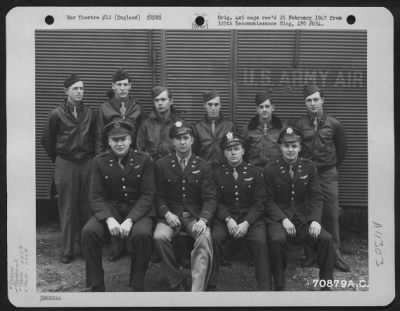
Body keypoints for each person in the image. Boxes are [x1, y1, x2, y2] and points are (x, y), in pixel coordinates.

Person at [81, 120, 155, 292]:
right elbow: (95, 195)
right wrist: (108, 219)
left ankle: (137, 283)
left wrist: (130, 219)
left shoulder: (144, 160)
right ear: (108, 142)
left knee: (142, 235)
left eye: (123, 139)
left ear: (130, 139)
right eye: (115, 140)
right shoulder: (99, 161)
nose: (120, 143)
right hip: (111, 209)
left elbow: (148, 195)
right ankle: (96, 284)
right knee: (89, 232)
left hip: (138, 209)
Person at [264, 127, 336, 291]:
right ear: (280, 147)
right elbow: (267, 201)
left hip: (302, 218)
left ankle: (326, 286)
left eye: (294, 146)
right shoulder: (270, 169)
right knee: (277, 240)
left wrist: (315, 221)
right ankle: (279, 285)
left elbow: (316, 196)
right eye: (286, 146)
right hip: (278, 218)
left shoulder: (309, 167)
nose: (290, 150)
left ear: (300, 147)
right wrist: (283, 219)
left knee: (326, 239)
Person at [153, 121, 217, 291]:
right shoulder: (161, 164)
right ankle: (176, 280)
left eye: (185, 138)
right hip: (170, 215)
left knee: (204, 238)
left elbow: (210, 198)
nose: (182, 142)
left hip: (193, 216)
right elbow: (157, 196)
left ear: (192, 140)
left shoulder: (203, 165)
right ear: (172, 142)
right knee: (160, 237)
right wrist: (166, 214)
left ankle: (197, 292)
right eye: (178, 138)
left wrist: (203, 220)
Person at [294, 84, 350, 272]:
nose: (312, 104)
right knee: (309, 213)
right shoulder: (300, 125)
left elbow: (341, 150)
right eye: (309, 100)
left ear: (323, 100)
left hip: (327, 174)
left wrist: (331, 166)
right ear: (305, 103)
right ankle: (310, 254)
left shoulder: (334, 124)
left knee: (331, 214)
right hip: (308, 174)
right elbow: (297, 149)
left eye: (316, 99)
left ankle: (334, 255)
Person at [41, 73, 96, 264]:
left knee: (86, 205)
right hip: (65, 162)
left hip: (87, 162)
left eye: (82, 88)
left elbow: (95, 138)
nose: (79, 92)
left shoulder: (89, 112)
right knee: (67, 207)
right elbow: (47, 140)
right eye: (75, 88)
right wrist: (58, 159)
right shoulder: (56, 113)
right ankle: (68, 249)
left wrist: (93, 160)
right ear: (66, 91)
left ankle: (85, 246)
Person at [208, 132, 272, 291]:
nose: (233, 153)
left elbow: (260, 203)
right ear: (224, 152)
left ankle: (265, 289)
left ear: (243, 151)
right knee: (214, 239)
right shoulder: (217, 173)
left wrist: (246, 223)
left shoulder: (255, 172)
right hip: (226, 219)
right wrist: (228, 219)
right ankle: (210, 285)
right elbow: (215, 200)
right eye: (229, 149)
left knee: (260, 242)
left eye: (236, 148)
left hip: (250, 219)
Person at [96, 68, 142, 155]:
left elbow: (141, 136)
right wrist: (100, 157)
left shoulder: (137, 108)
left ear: (130, 86)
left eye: (125, 84)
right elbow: (99, 136)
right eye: (119, 84)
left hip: (132, 154)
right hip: (110, 153)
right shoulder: (104, 108)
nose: (122, 88)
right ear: (113, 86)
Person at [136, 86, 183, 161]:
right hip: (151, 167)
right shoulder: (146, 124)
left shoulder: (179, 124)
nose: (160, 103)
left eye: (163, 99)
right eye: (156, 100)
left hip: (172, 167)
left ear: (171, 101)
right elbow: (140, 150)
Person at [242, 91, 286, 168]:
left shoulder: (282, 128)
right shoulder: (248, 128)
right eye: (261, 107)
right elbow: (242, 152)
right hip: (255, 170)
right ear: (257, 109)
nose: (264, 110)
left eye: (267, 106)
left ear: (273, 108)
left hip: (276, 170)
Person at [193, 90, 235, 168]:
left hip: (224, 170)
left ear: (220, 105)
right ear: (204, 105)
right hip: (204, 170)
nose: (213, 108)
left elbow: (233, 149)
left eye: (216, 104)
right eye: (210, 104)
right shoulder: (197, 127)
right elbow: (194, 152)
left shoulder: (229, 126)